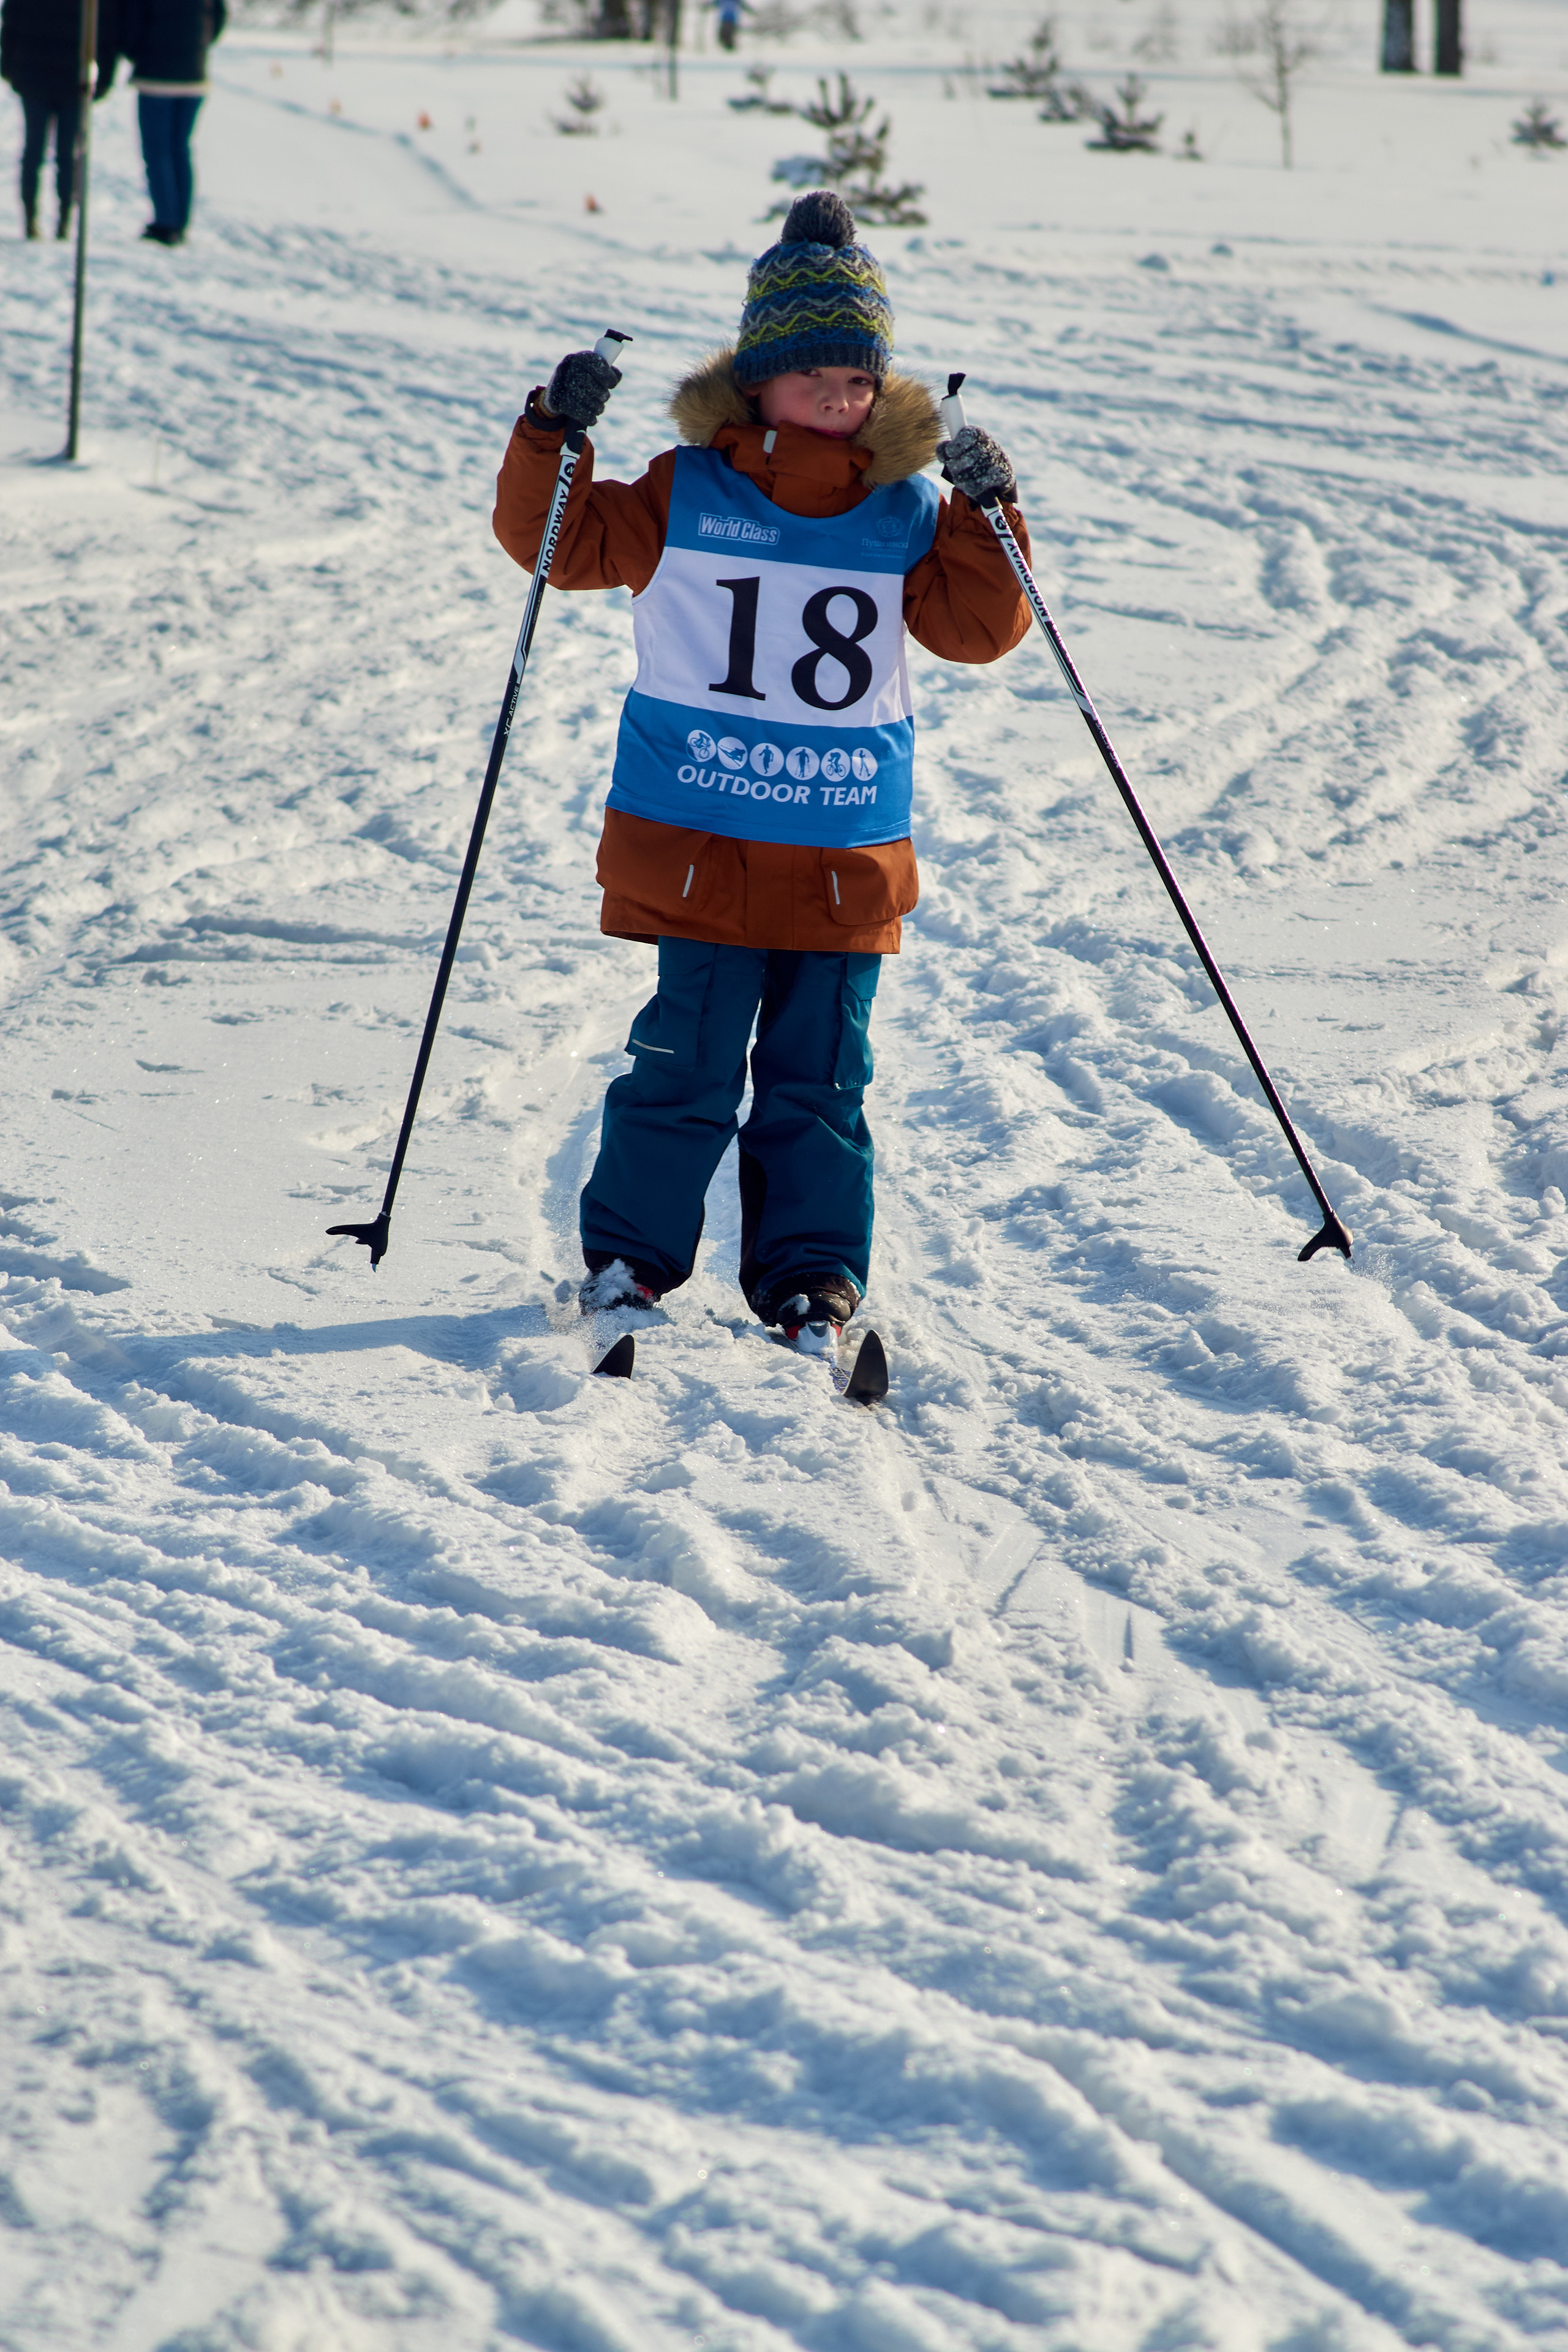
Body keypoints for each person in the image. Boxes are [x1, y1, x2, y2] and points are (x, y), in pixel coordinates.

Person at [492, 190, 1031, 1354]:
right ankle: (630, 1264)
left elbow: (980, 630)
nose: (837, 397)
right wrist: (553, 435)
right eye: (812, 375)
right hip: (703, 842)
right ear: (758, 380)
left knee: (821, 1080)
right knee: (683, 1064)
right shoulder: (688, 490)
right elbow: (558, 546)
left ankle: (812, 1281)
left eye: (857, 378)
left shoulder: (905, 511)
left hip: (841, 849)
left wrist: (989, 512)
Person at [99, 0, 224, 246]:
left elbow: (131, 26)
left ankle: (166, 222)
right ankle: (180, 221)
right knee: (180, 150)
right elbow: (218, 18)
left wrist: (138, 53)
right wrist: (197, 45)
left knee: (158, 152)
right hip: (194, 73)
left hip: (156, 75)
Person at [2, 0, 92, 239]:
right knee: (63, 154)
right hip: (67, 79)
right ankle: (58, 220)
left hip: (41, 77)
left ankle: (39, 219)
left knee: (37, 151)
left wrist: (10, 68)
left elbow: (10, 23)